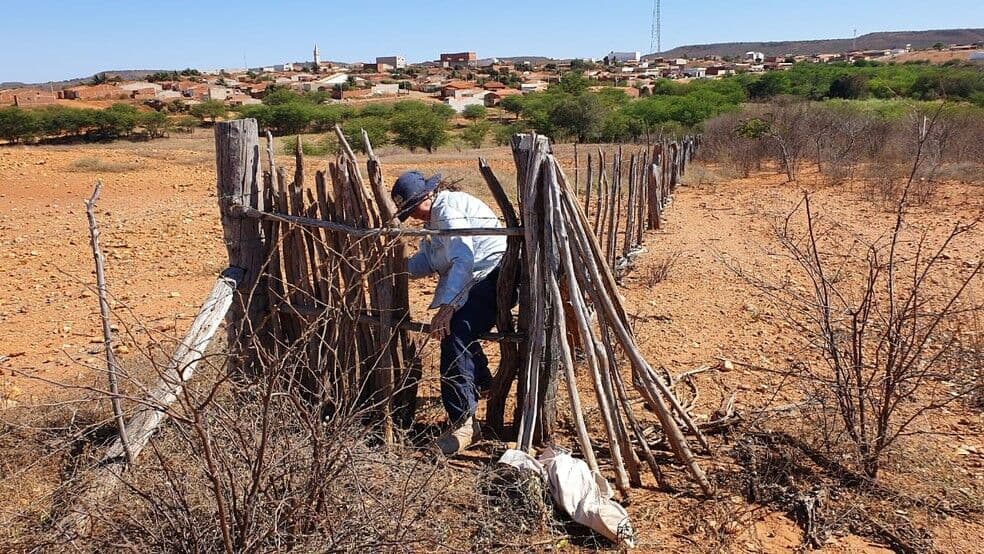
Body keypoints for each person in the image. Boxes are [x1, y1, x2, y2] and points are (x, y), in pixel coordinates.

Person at [391, 170, 512, 456]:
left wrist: (448, 307)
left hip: (493, 275)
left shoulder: (447, 210)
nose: (413, 215)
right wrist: (395, 267)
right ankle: (481, 380)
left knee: (455, 331)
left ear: (427, 195)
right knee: (458, 331)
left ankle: (463, 423)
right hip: (474, 278)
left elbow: (463, 259)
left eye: (414, 207)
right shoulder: (433, 221)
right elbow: (431, 261)